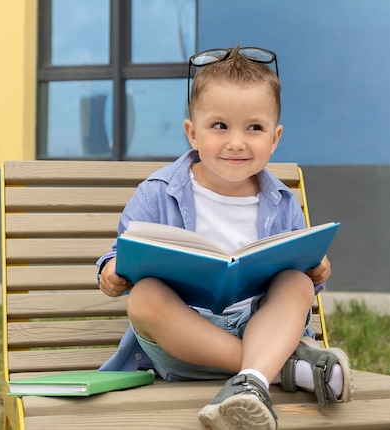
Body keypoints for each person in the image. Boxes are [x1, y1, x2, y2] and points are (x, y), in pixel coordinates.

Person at [97, 45, 352, 430]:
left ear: (275, 138)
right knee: (145, 297)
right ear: (192, 133)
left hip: (258, 324)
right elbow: (122, 254)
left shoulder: (281, 202)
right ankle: (275, 368)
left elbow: (301, 278)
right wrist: (112, 271)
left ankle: (250, 382)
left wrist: (317, 268)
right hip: (184, 342)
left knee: (296, 282)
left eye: (254, 128)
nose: (237, 141)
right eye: (220, 126)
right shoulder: (157, 192)